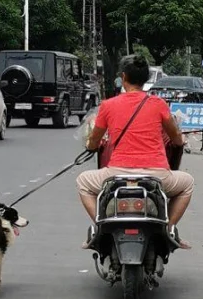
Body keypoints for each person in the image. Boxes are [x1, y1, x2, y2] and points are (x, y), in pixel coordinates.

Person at [77, 55, 194, 249]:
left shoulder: (108, 105)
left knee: (82, 182)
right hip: (156, 176)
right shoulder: (159, 104)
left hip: (116, 174)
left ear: (123, 77)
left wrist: (90, 147)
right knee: (187, 183)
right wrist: (179, 140)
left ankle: (100, 226)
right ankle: (169, 227)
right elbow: (175, 138)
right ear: (146, 78)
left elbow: (95, 140)